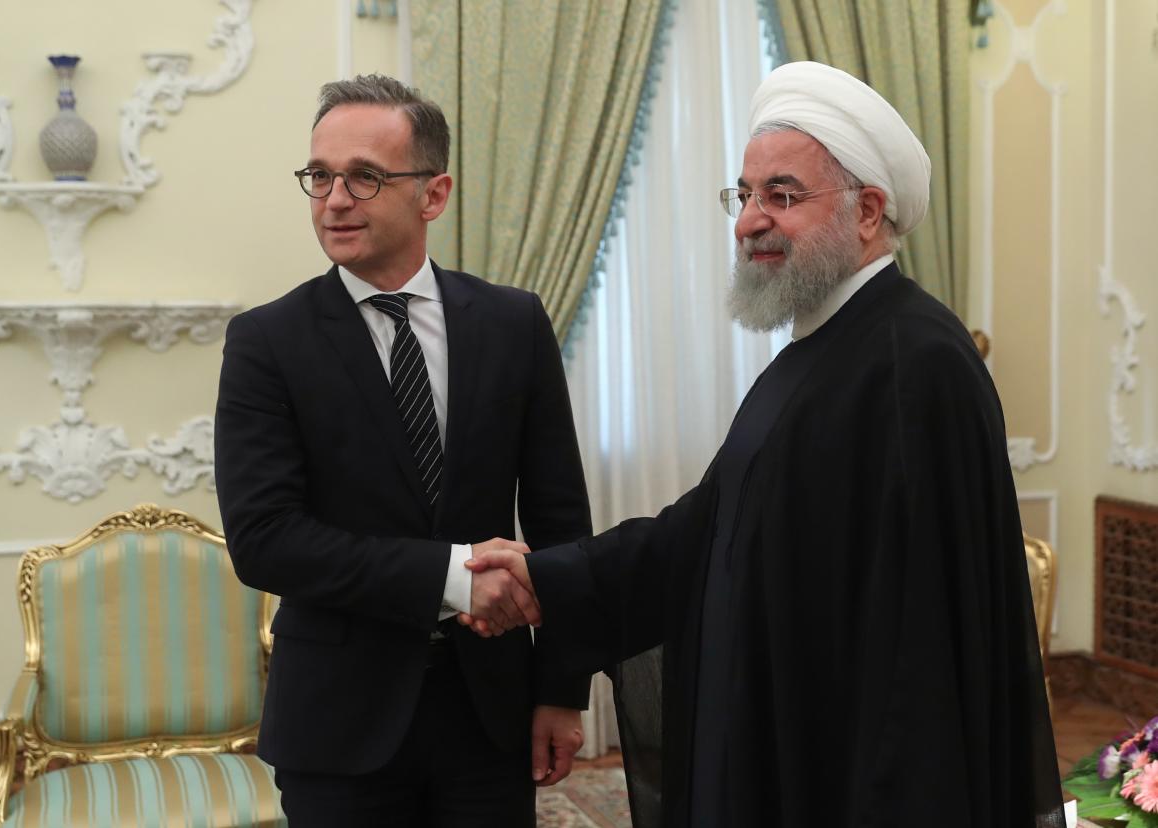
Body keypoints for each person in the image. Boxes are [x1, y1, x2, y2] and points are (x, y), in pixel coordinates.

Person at [463, 61, 1067, 828]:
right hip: (789, 744)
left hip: (857, 779)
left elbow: (918, 653)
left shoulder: (917, 362)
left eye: (782, 195)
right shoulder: (820, 352)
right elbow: (703, 532)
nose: (749, 220)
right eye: (744, 195)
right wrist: (543, 575)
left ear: (870, 211)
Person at [214, 73, 593, 827]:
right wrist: (451, 577)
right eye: (319, 176)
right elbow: (264, 542)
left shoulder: (514, 324)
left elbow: (561, 522)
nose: (334, 199)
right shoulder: (266, 343)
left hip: (489, 715)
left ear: (434, 193)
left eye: (364, 176)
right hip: (337, 724)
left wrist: (561, 689)